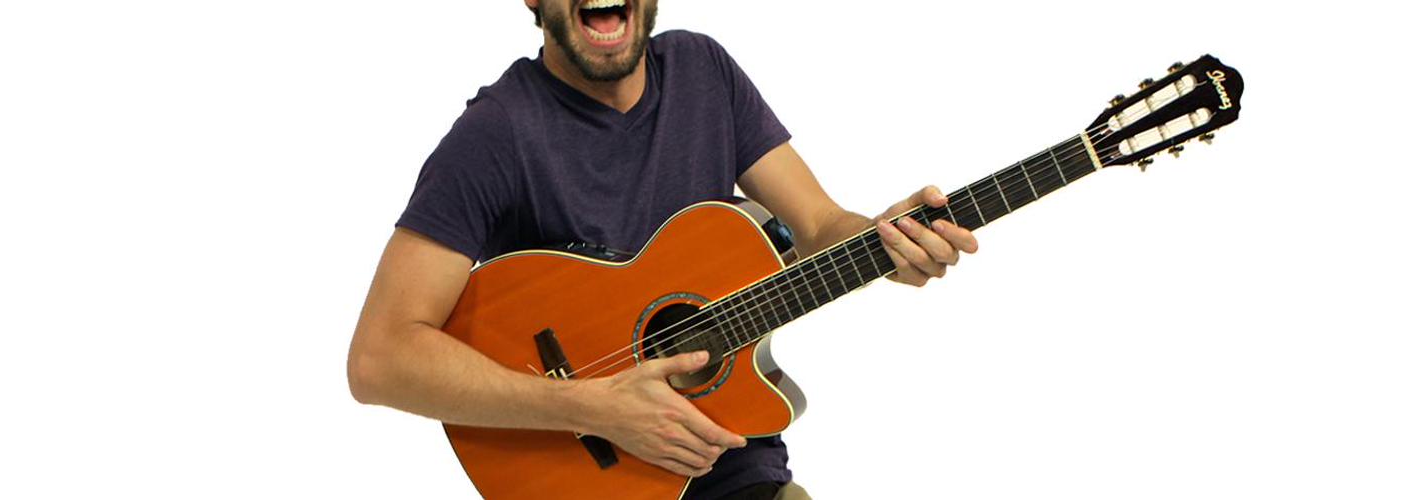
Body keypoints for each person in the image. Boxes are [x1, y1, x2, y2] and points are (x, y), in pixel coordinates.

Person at [347, 1, 979, 498]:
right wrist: (594, 409)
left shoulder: (703, 72)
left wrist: (885, 241)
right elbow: (379, 358)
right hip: (589, 484)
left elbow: (818, 223)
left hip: (734, 468)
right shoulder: (495, 134)